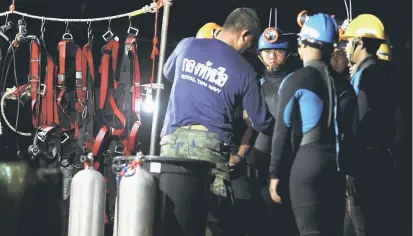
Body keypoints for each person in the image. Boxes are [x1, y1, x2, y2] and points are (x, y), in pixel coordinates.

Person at [160, 8, 274, 235]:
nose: (248, 49)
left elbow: (168, 73)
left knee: (172, 214)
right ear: (244, 34)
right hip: (209, 148)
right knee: (211, 220)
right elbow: (262, 123)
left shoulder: (187, 45)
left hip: (171, 142)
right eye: (250, 43)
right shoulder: (245, 70)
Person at [269, 13, 348, 236]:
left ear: (303, 43)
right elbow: (351, 131)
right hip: (336, 166)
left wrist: (275, 172)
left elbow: (281, 130)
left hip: (307, 164)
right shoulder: (344, 83)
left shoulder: (296, 79)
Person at [342, 14, 398, 236]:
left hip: (365, 164)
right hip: (378, 159)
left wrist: (352, 169)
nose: (346, 47)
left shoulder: (367, 77)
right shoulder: (377, 73)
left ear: (360, 42)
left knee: (362, 225)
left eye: (348, 41)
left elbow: (361, 125)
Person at [246, 26, 300, 236]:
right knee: (259, 220)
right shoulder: (255, 85)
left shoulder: (296, 82)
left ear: (286, 53)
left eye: (278, 51)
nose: (272, 56)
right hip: (259, 161)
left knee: (285, 221)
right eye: (268, 51)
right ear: (260, 55)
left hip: (289, 160)